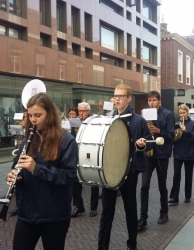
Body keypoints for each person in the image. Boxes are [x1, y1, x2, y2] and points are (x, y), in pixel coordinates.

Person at [6, 92, 78, 250]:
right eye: (30, 115)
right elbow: (17, 168)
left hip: (54, 214)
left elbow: (68, 177)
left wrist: (36, 168)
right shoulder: (28, 140)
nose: (33, 119)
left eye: (38, 115)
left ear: (50, 114)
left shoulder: (67, 141)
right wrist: (15, 177)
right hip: (27, 212)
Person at [98, 83, 151, 250]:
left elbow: (148, 142)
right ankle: (102, 246)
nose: (117, 99)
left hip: (130, 171)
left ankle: (132, 244)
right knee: (107, 211)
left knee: (130, 208)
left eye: (121, 96)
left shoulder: (139, 121)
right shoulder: (108, 119)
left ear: (129, 98)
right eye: (115, 96)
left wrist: (142, 145)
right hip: (110, 170)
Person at [138, 91, 175, 230]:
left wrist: (159, 130)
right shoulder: (145, 114)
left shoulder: (168, 114)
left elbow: (171, 136)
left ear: (159, 101)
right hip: (148, 154)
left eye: (154, 100)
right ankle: (143, 218)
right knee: (144, 186)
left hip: (161, 155)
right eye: (149, 100)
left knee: (162, 186)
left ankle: (164, 213)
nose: (151, 103)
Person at [71, 102, 100, 218]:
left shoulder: (94, 121)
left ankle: (93, 208)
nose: (81, 113)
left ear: (88, 111)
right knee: (75, 180)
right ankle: (78, 206)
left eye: (83, 111)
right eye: (80, 111)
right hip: (77, 153)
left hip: (90, 152)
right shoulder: (76, 122)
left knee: (94, 180)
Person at [168, 104, 194, 205]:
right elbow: (172, 137)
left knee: (188, 176)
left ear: (187, 113)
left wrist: (186, 131)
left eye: (184, 113)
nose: (182, 115)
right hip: (178, 153)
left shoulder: (193, 124)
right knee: (176, 175)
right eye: (180, 113)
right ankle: (174, 197)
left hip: (189, 154)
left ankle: (187, 196)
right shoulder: (176, 123)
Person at [9, 110, 27, 216]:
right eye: (20, 120)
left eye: (23, 119)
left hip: (26, 160)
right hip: (18, 159)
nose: (20, 122)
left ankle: (22, 205)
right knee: (18, 183)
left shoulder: (31, 131)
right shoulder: (19, 130)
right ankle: (18, 205)